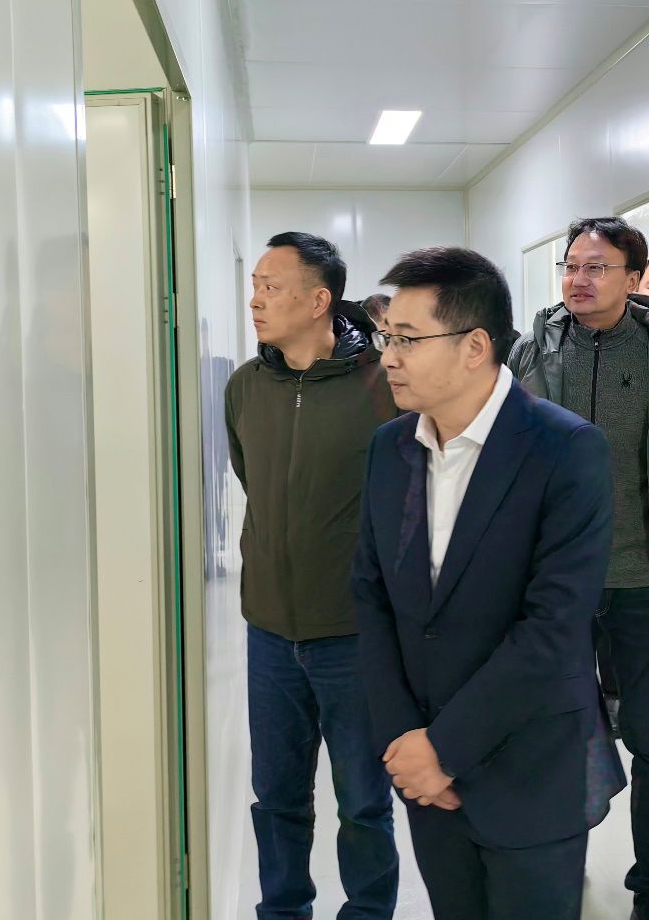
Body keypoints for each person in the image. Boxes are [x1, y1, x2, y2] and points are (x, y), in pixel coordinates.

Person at [354, 246, 625, 920]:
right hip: (423, 769)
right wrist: (405, 741)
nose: (389, 357)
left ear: (475, 346)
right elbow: (371, 595)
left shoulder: (566, 449)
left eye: (408, 339)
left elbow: (553, 628)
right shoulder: (390, 447)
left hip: (528, 769)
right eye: (388, 337)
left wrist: (444, 749)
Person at [510, 217, 649, 920]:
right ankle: (558, 858)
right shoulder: (532, 352)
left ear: (633, 280)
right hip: (557, 588)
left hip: (643, 583)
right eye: (571, 266)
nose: (578, 279)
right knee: (554, 737)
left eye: (596, 267)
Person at [225, 231, 400, 920]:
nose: (255, 300)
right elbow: (252, 478)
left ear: (319, 299)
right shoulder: (246, 385)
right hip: (269, 630)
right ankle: (283, 909)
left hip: (353, 632)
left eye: (271, 287)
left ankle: (368, 912)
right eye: (255, 286)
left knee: (363, 799)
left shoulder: (384, 386)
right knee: (276, 797)